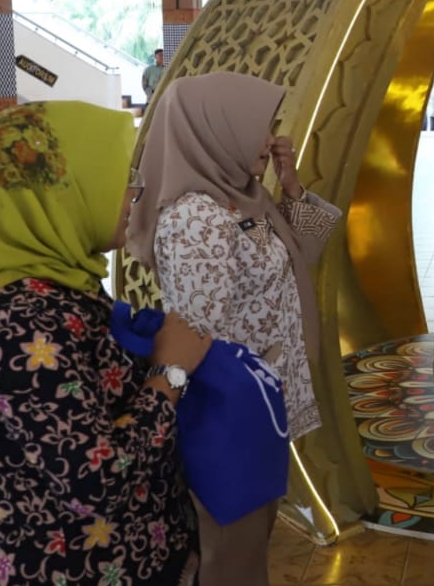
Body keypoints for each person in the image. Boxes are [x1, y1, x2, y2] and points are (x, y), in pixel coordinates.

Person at [0, 102, 210, 586]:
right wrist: (169, 373)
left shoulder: (60, 285)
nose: (135, 193)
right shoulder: (14, 323)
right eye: (122, 178)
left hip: (134, 558)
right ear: (53, 191)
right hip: (73, 570)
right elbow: (94, 483)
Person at [127, 72, 343, 586]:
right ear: (214, 131)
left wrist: (291, 188)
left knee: (248, 546)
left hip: (256, 405)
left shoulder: (242, 199)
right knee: (230, 556)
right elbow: (198, 333)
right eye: (257, 127)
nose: (269, 140)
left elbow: (299, 256)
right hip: (228, 414)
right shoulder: (195, 219)